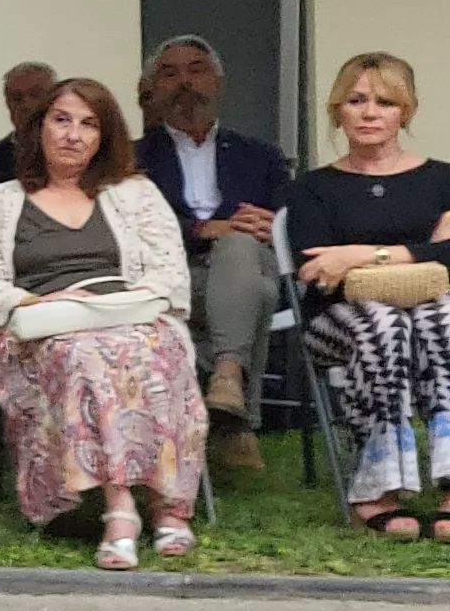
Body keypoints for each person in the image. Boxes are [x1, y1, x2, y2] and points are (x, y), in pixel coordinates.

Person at [0, 78, 203, 569]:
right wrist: (44, 299)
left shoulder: (135, 193)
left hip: (128, 314)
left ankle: (168, 507)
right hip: (41, 325)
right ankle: (121, 509)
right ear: (39, 128)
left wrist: (120, 300)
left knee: (155, 349)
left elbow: (170, 276)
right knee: (82, 353)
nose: (73, 134)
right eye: (62, 120)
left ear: (104, 136)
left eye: (88, 124)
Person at [285, 53, 450, 539]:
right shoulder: (312, 189)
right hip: (335, 326)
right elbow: (316, 269)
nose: (370, 112)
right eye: (356, 100)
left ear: (407, 111)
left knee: (438, 316)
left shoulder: (442, 179)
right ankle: (379, 485)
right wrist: (422, 253)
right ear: (338, 110)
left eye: (385, 101)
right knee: (385, 321)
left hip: (429, 320)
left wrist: (356, 253)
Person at [132, 35, 292, 472]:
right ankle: (233, 407)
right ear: (153, 88)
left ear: (218, 82)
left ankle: (224, 385)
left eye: (197, 70)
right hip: (175, 274)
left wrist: (270, 224)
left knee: (241, 249)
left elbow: (287, 219)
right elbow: (130, 228)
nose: (185, 81)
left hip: (242, 265)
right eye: (170, 73)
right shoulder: (131, 158)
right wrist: (203, 228)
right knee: (254, 291)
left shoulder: (261, 155)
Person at [0, 60, 58, 187]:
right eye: (16, 98)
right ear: (8, 105)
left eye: (36, 95)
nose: (26, 104)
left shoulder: (77, 153)